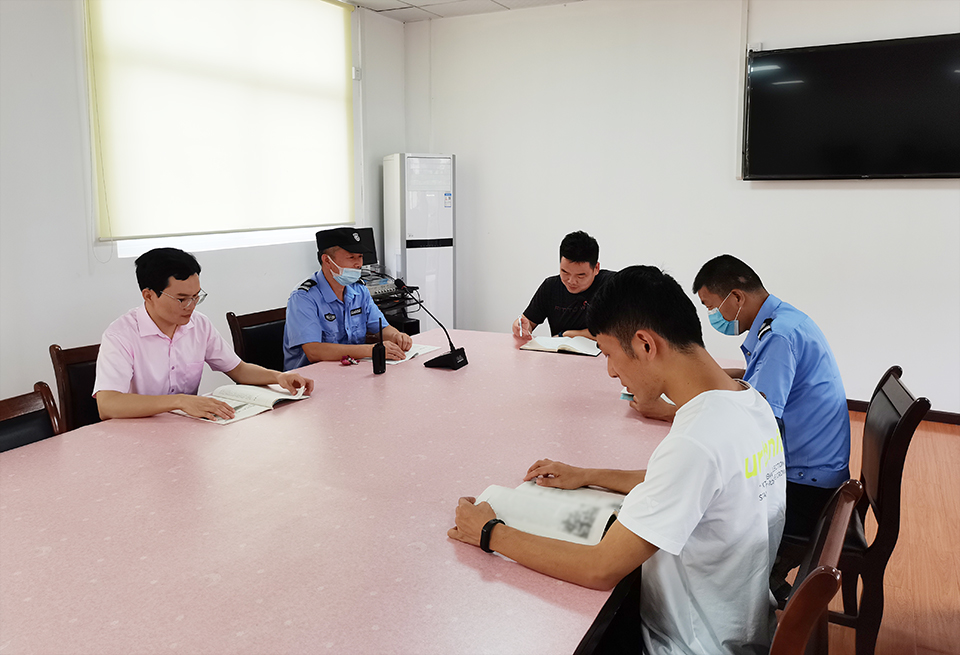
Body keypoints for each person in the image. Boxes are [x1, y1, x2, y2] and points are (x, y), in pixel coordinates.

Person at [451, 266, 786, 655]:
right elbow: (693, 482)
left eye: (609, 353)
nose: (610, 371)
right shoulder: (748, 400)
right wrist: (588, 475)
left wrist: (488, 532)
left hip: (689, 644)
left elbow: (600, 568)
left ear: (645, 344)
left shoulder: (696, 441)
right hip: (742, 626)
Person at [94, 248, 313, 422]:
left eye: (196, 296)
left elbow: (238, 369)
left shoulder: (199, 324)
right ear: (149, 295)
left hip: (187, 428)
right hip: (137, 433)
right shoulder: (120, 336)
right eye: (182, 299)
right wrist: (179, 401)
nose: (191, 305)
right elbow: (107, 404)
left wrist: (278, 377)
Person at [283, 227, 413, 370]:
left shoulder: (359, 290)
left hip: (352, 370)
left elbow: (381, 328)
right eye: (351, 257)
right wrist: (371, 349)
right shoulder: (303, 297)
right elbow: (314, 351)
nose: (358, 264)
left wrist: (397, 336)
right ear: (327, 260)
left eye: (360, 257)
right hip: (310, 376)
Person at [512, 231, 614, 340]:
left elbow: (614, 333)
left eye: (580, 275)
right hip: (560, 350)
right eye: (565, 272)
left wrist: (566, 335)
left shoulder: (612, 286)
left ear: (596, 268)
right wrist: (522, 327)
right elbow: (528, 321)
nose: (571, 281)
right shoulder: (550, 287)